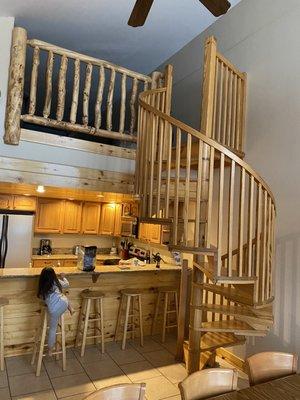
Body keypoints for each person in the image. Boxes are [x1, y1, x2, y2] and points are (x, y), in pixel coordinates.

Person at [37, 267, 74, 355]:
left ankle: (50, 350)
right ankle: (71, 309)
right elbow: (67, 284)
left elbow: (42, 298)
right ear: (53, 275)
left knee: (52, 329)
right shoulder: (56, 281)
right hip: (63, 303)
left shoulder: (42, 286)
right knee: (63, 296)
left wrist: (47, 301)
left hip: (54, 309)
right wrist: (63, 277)